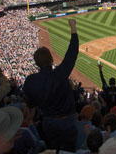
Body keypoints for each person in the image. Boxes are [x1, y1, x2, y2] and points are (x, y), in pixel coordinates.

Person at [23, 19, 79, 152]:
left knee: (53, 149)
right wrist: (73, 28)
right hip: (67, 122)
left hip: (48, 123)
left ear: (37, 64)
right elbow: (72, 52)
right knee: (70, 150)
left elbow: (30, 104)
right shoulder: (59, 75)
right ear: (52, 60)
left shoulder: (30, 81)